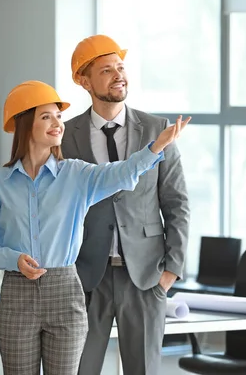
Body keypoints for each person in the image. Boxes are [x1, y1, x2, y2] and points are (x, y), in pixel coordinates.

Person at [0, 80, 190, 375]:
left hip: (66, 290)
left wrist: (155, 148)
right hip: (17, 292)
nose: (58, 123)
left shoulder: (76, 174)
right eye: (46, 117)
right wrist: (13, 259)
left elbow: (122, 173)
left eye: (58, 116)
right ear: (24, 124)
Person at [61, 34, 191, 375]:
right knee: (78, 368)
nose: (119, 75)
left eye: (121, 67)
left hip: (146, 276)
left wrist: (171, 270)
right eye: (107, 70)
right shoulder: (66, 135)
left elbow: (176, 201)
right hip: (87, 275)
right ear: (84, 81)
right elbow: (57, 206)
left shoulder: (156, 129)